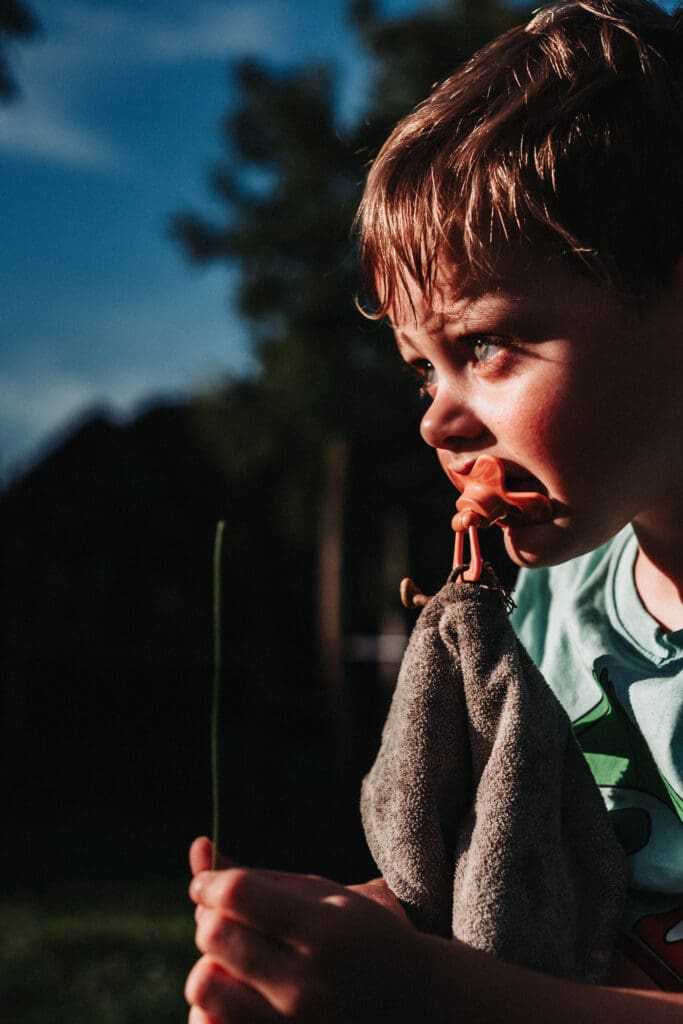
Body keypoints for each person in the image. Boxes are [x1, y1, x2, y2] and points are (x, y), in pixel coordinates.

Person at [185, 1, 683, 1019]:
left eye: (485, 345)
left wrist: (425, 992)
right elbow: (510, 882)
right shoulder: (541, 605)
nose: (435, 422)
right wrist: (336, 932)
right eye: (423, 372)